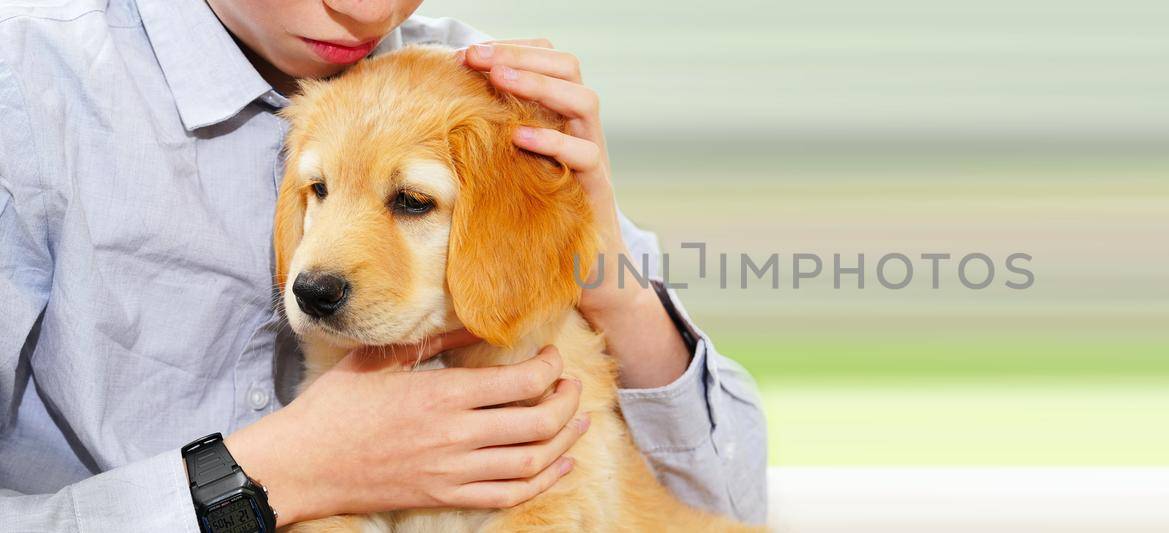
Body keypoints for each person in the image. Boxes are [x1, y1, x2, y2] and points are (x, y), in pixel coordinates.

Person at [0, 0, 767, 530]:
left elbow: (726, 496)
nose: (370, 12)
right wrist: (271, 475)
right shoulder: (28, 91)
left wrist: (604, 267)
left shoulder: (466, 76)